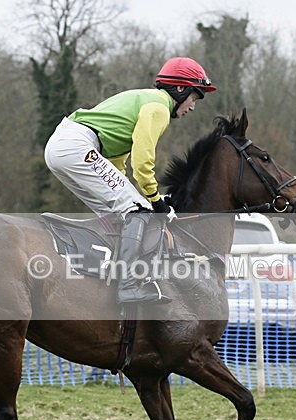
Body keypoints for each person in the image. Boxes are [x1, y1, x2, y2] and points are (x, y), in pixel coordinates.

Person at [44, 57, 216, 305]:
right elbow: (143, 161)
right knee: (140, 213)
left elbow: (117, 163)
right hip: (76, 146)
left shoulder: (144, 100)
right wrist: (155, 201)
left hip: (63, 147)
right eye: (194, 98)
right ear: (181, 89)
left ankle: (108, 275)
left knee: (118, 214)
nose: (192, 107)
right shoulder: (158, 108)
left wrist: (138, 196)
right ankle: (130, 284)